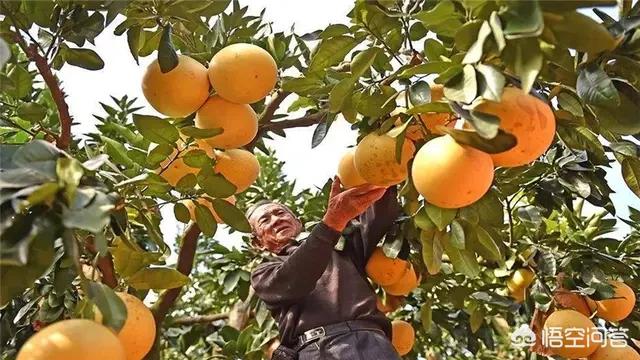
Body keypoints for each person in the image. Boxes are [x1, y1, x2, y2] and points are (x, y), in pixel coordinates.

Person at [248, 177, 402, 360]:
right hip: (319, 350)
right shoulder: (263, 273)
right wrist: (332, 222)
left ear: (298, 222)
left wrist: (386, 173)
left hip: (375, 344)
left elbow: (378, 217)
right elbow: (295, 279)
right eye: (265, 220)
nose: (275, 220)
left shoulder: (341, 245)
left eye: (280, 213)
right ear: (258, 243)